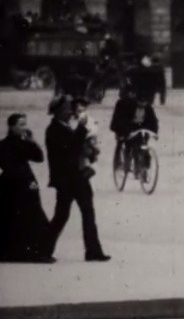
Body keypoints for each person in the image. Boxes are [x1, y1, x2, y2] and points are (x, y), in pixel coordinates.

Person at [46, 97, 109, 262]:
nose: (71, 111)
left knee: (87, 213)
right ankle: (44, 249)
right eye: (67, 108)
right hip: (67, 180)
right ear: (58, 111)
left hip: (77, 177)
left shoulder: (65, 128)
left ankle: (93, 251)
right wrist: (82, 129)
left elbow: (76, 147)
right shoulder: (53, 130)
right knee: (62, 216)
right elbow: (70, 148)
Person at [0, 113, 54, 263]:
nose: (24, 127)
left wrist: (31, 141)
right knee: (19, 215)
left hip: (22, 181)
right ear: (11, 127)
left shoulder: (24, 142)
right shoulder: (5, 145)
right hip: (15, 182)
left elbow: (39, 157)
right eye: (21, 124)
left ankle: (29, 251)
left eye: (25, 124)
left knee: (30, 214)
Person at [110, 81, 158, 172]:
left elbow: (153, 121)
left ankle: (144, 166)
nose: (143, 104)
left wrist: (154, 132)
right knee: (127, 143)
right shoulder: (125, 105)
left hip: (140, 128)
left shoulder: (148, 108)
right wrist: (128, 132)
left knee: (144, 145)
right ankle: (121, 162)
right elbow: (122, 120)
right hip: (124, 128)